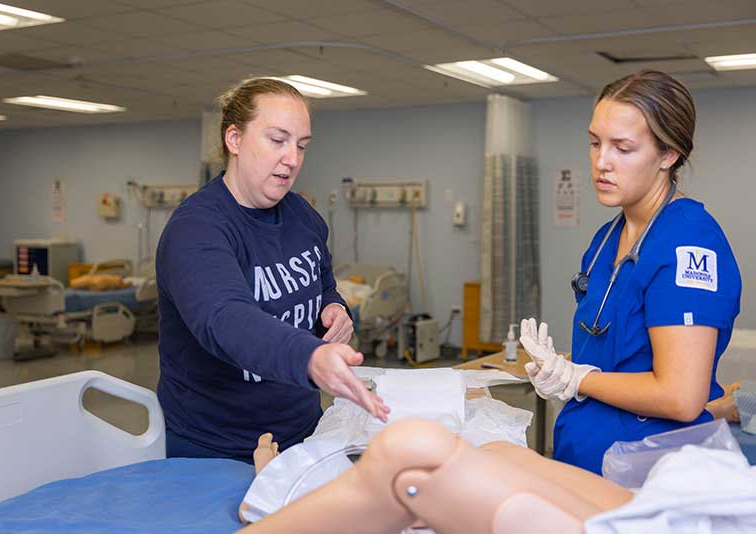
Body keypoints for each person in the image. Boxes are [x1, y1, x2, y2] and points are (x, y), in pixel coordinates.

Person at [519, 70, 742, 474]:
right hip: (584, 460)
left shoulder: (688, 242)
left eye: (622, 148)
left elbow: (681, 395)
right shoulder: (606, 240)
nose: (601, 162)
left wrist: (576, 378)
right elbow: (616, 358)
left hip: (651, 471)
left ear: (669, 154)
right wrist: (555, 367)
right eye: (594, 143)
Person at [156, 78, 388, 462]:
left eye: (301, 145)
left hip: (304, 431)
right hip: (215, 449)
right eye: (277, 140)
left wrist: (335, 311)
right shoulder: (197, 229)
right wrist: (309, 358)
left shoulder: (302, 216)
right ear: (234, 139)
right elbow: (226, 318)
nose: (292, 158)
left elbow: (323, 283)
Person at [240, 419, 634, 533]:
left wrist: (273, 479)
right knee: (502, 453)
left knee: (412, 453)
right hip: (653, 514)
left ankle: (276, 490)